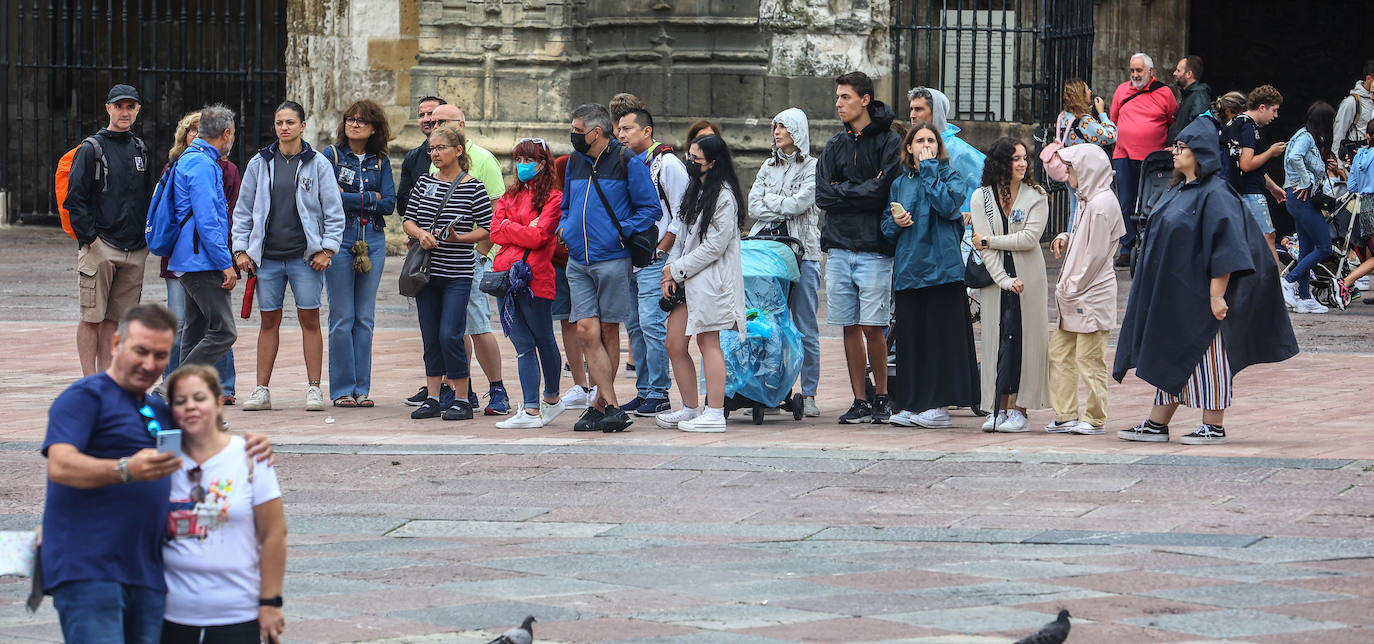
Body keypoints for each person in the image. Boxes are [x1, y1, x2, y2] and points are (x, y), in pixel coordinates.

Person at [40, 304, 273, 644]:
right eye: (141, 351)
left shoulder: (160, 410)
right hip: (90, 569)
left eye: (160, 355)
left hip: (148, 573)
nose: (149, 364)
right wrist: (125, 469)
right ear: (117, 344)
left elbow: (210, 443)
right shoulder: (84, 397)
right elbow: (60, 465)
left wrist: (252, 444)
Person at [1115, 119, 1298, 445]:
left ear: (1199, 153)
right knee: (1175, 353)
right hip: (1179, 293)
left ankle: (1213, 425)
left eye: (1181, 147)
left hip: (1203, 297)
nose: (1174, 151)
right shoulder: (1181, 189)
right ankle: (1157, 423)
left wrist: (1216, 295)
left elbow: (1226, 247)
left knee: (1209, 356)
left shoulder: (1216, 194)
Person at [232, 101, 345, 412]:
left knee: (309, 319)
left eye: (290, 122)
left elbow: (334, 212)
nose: (284, 127)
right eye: (279, 122)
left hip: (305, 258)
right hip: (266, 258)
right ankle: (261, 389)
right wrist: (241, 249)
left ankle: (313, 388)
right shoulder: (259, 162)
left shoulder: (318, 163)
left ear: (302, 125)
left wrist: (328, 248)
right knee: (268, 320)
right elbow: (243, 211)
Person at [161, 364, 285, 644]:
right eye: (180, 401)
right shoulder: (162, 458)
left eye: (199, 398)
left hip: (237, 613)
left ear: (218, 403)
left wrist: (270, 602)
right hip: (172, 615)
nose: (190, 407)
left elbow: (274, 534)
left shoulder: (249, 455)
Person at [557, 103, 661, 432]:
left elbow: (650, 208)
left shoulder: (626, 160)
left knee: (607, 331)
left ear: (596, 132)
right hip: (578, 259)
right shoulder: (575, 161)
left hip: (612, 258)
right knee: (586, 330)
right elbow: (567, 203)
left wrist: (621, 233)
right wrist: (565, 227)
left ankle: (601, 405)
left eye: (577, 130)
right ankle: (612, 405)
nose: (573, 136)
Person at [816, 71, 902, 424]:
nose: (839, 104)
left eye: (846, 97)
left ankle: (882, 395)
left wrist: (845, 191)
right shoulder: (834, 145)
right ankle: (859, 398)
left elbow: (884, 192)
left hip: (874, 247)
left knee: (873, 324)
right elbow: (823, 195)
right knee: (847, 325)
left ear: (865, 99)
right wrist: (861, 189)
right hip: (838, 247)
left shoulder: (889, 141)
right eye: (837, 97)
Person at [880, 122, 979, 429]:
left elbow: (948, 205)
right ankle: (913, 402)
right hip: (910, 270)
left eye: (931, 141)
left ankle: (938, 404)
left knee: (939, 340)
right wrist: (896, 220)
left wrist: (930, 170)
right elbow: (886, 228)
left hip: (942, 271)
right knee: (911, 340)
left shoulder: (949, 174)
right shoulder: (900, 183)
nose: (925, 145)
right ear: (908, 147)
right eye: (919, 140)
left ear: (939, 147)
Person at [655, 135, 746, 432]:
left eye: (696, 159)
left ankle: (715, 412)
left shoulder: (724, 196)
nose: (690, 163)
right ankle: (690, 408)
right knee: (674, 343)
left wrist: (676, 269)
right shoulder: (695, 190)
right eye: (689, 156)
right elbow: (682, 234)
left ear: (714, 163)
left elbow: (714, 247)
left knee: (709, 342)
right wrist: (670, 270)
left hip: (710, 281)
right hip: (685, 279)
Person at [402, 124, 493, 421]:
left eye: (441, 148)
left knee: (450, 334)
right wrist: (420, 234)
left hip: (457, 272)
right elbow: (408, 219)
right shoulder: (425, 183)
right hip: (426, 273)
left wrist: (460, 239)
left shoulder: (473, 186)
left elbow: (488, 228)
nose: (435, 153)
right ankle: (432, 396)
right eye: (432, 149)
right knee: (430, 335)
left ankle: (462, 398)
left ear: (458, 151)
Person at [66, 84, 155, 376]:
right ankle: (89, 381)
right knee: (91, 317)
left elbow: (147, 196)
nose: (125, 112)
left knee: (115, 321)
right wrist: (90, 240)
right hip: (101, 245)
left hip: (134, 247)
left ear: (138, 110)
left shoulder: (140, 148)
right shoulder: (91, 148)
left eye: (130, 107)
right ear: (108, 109)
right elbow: (75, 199)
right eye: (119, 106)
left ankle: (106, 378)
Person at [430, 104, 511, 415]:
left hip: (471, 259)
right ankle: (462, 388)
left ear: (461, 124)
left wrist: (480, 254)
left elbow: (495, 211)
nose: (434, 124)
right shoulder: (434, 162)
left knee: (477, 325)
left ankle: (497, 388)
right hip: (441, 260)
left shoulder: (485, 160)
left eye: (443, 121)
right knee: (453, 329)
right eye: (432, 121)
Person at [969, 137, 1050, 432]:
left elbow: (1029, 239)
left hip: (1029, 279)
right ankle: (997, 408)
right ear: (1001, 163)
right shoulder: (981, 197)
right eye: (1015, 158)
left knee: (1026, 341)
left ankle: (1021, 410)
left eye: (1024, 158)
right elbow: (985, 250)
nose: (1022, 163)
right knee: (996, 340)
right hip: (996, 280)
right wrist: (1003, 280)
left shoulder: (1036, 195)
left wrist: (990, 240)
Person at [320, 100, 395, 408]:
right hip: (339, 236)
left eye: (362, 121)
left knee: (364, 317)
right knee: (342, 316)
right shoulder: (332, 156)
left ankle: (362, 388)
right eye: (350, 119)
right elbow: (327, 199)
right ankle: (341, 389)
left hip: (372, 238)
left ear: (374, 128)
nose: (354, 124)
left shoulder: (381, 160)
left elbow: (388, 203)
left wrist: (348, 197)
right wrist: (368, 198)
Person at [1045, 144, 1125, 434]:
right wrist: (1066, 235)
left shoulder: (1101, 205)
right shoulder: (1087, 201)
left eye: (1071, 169)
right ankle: (1065, 414)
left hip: (1089, 293)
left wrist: (1072, 285)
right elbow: (1084, 239)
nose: (1067, 175)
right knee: (1060, 352)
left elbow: (1095, 255)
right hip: (1076, 292)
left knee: (1088, 358)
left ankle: (1094, 417)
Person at [160, 111, 239, 404]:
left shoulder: (193, 159)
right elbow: (209, 221)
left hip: (190, 259)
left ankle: (178, 397)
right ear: (226, 133)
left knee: (193, 331)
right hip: (201, 260)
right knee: (223, 330)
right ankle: (175, 388)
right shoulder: (203, 164)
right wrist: (225, 263)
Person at [748, 107, 822, 417]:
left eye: (783, 126)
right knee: (770, 322)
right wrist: (781, 207)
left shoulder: (813, 167)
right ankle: (771, 389)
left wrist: (772, 204)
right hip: (767, 253)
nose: (777, 132)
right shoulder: (767, 166)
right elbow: (753, 206)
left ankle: (809, 393)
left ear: (797, 131)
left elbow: (802, 203)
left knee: (804, 325)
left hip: (802, 252)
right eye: (775, 126)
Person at [489, 138, 566, 428]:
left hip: (535, 279)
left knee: (543, 338)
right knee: (522, 343)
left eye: (527, 160)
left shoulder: (554, 198)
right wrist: (517, 227)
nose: (521, 166)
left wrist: (511, 227)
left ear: (543, 163)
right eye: (518, 160)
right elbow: (495, 231)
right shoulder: (511, 194)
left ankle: (550, 399)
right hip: (505, 278)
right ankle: (532, 408)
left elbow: (541, 237)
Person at [615, 107, 686, 417]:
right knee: (635, 326)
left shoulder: (667, 163)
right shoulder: (627, 163)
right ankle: (645, 390)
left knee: (652, 324)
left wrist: (662, 248)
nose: (621, 135)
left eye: (627, 129)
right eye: (618, 129)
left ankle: (658, 392)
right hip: (632, 256)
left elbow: (683, 211)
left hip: (656, 257)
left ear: (647, 131)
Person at [1110, 53, 1178, 267]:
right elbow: (1113, 120)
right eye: (1132, 70)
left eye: (1139, 70)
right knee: (1126, 202)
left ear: (1150, 72)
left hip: (1154, 159)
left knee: (1155, 201)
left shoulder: (1164, 92)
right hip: (1124, 155)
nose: (1135, 75)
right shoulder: (1122, 90)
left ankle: (1153, 245)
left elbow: (1173, 121)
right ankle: (1127, 246)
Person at [1280, 101, 1340, 314]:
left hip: (1298, 199)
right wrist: (1306, 181)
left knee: (1305, 250)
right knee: (1324, 247)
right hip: (1301, 198)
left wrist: (1325, 166)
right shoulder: (1305, 138)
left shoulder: (1308, 136)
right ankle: (1288, 281)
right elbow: (1295, 156)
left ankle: (1305, 297)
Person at [1223, 85, 1287, 269]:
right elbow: (1246, 164)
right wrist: (1270, 152)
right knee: (1267, 236)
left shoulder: (1241, 123)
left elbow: (1252, 169)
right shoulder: (1249, 128)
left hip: (1242, 189)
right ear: (1262, 107)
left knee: (1250, 239)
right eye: (1273, 110)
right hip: (1249, 192)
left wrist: (1273, 187)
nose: (1275, 116)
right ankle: (1276, 285)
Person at [907, 86, 985, 216]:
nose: (912, 115)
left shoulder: (959, 150)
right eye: (911, 109)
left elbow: (989, 184)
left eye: (918, 109)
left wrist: (975, 214)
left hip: (958, 228)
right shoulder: (911, 145)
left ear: (935, 112)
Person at [1054, 78, 1117, 216]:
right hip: (1086, 171)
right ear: (1081, 94)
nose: (1090, 92)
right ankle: (1079, 237)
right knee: (1085, 212)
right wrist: (1102, 114)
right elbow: (1110, 136)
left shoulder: (1062, 117)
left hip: (1070, 168)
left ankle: (1071, 236)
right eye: (1087, 89)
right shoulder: (1084, 120)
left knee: (1075, 210)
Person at [396, 96, 446, 237]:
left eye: (431, 114)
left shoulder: (467, 155)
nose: (425, 119)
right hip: (421, 240)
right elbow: (401, 205)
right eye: (421, 115)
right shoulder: (412, 157)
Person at [1342, 122, 1374, 296]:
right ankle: (1345, 283)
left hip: (1366, 205)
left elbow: (1352, 186)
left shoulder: (1360, 155)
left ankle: (1345, 282)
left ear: (1367, 136)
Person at [1332, 60, 1374, 162]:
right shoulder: (1351, 102)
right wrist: (1338, 166)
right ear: (1369, 78)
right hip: (1358, 156)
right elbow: (1338, 134)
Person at [1168, 55, 1211, 144]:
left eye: (1178, 70)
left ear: (1189, 74)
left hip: (1185, 154)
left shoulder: (1199, 96)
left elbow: (1199, 130)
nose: (1174, 73)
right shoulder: (1189, 95)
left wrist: (1179, 148)